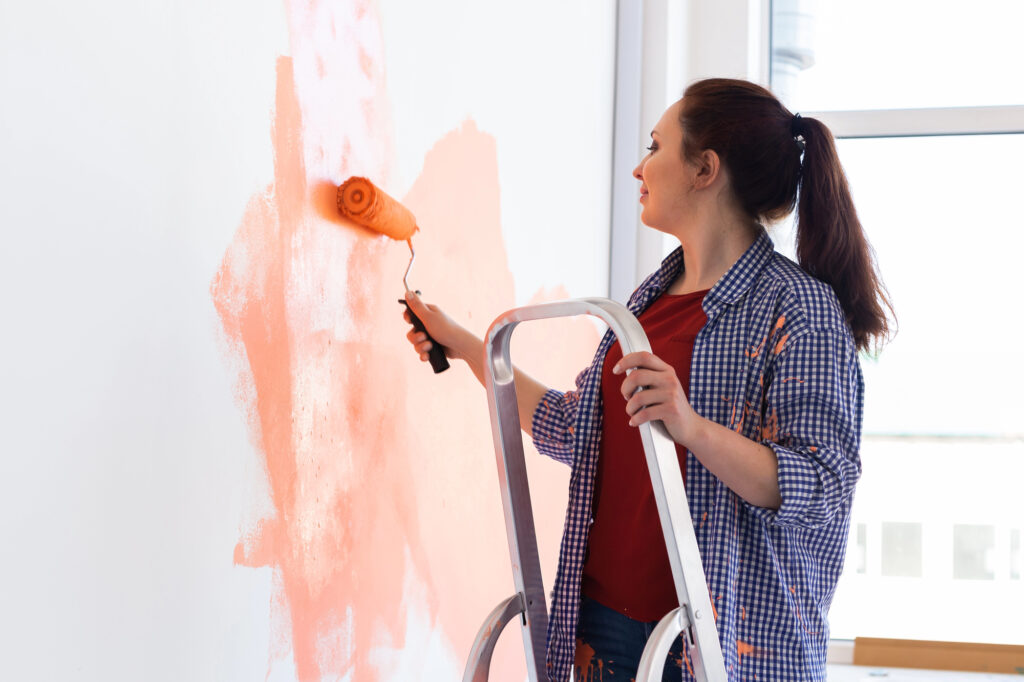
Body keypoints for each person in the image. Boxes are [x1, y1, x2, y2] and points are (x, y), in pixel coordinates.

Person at [402, 78, 892, 681]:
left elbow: (821, 485)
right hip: (604, 627)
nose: (639, 167)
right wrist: (466, 344)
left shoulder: (799, 309)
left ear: (704, 169)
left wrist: (691, 427)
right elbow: (576, 431)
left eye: (655, 147)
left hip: (721, 641)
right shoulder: (647, 304)